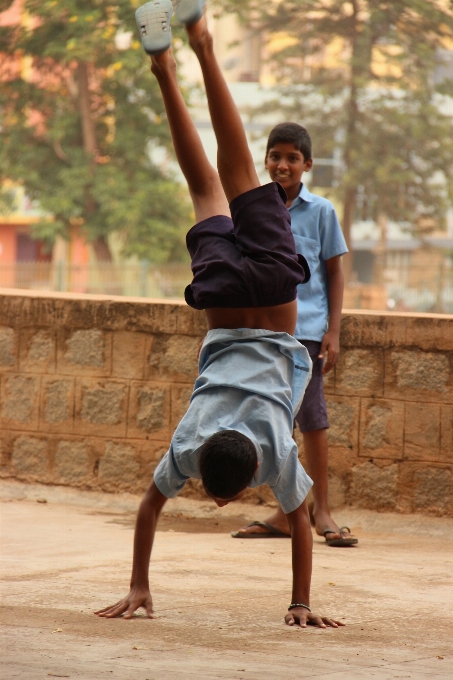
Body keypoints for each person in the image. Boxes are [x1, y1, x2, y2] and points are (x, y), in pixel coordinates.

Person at [95, 0, 344, 629]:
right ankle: (170, 64)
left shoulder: (274, 452)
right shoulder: (189, 442)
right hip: (224, 308)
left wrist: (300, 602)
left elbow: (299, 524)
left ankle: (201, 43)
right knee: (208, 184)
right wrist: (139, 583)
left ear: (253, 465)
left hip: (275, 306)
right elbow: (150, 508)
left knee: (234, 176)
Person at [232, 123, 358, 547]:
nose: (282, 165)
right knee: (273, 421)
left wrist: (333, 331)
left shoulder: (321, 211)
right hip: (263, 332)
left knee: (313, 419)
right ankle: (289, 511)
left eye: (291, 158)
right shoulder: (250, 211)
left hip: (305, 332)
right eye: (275, 156)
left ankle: (321, 509)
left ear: (307, 164)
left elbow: (334, 273)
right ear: (264, 161)